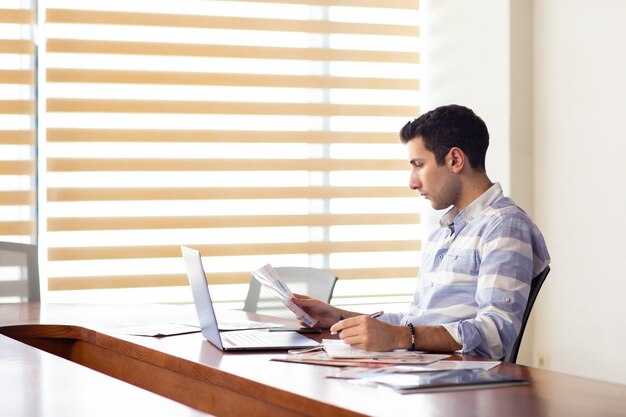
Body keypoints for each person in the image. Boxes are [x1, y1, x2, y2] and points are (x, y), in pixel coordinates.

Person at [293, 104, 550, 359]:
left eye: (418, 164)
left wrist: (399, 337)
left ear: (455, 160)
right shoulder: (444, 233)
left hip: (458, 385)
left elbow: (496, 335)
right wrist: (338, 317)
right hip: (422, 370)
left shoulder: (504, 226)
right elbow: (414, 319)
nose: (412, 182)